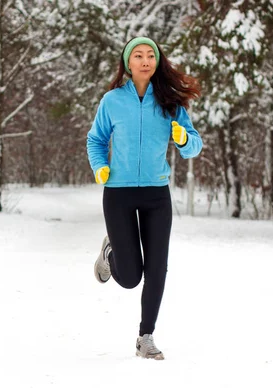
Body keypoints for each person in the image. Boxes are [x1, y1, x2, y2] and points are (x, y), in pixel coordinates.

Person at [86, 37, 202, 360]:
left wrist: (182, 137)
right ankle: (111, 255)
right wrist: (101, 167)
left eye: (151, 55)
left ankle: (145, 337)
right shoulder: (112, 101)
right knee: (131, 277)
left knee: (157, 268)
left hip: (156, 195)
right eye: (138, 55)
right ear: (128, 63)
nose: (146, 60)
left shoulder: (169, 103)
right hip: (119, 194)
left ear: (156, 62)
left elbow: (195, 144)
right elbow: (95, 139)